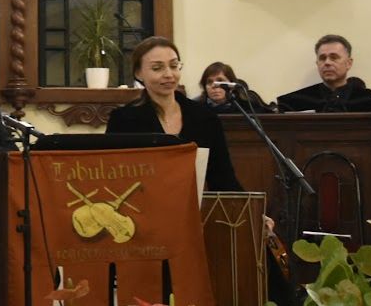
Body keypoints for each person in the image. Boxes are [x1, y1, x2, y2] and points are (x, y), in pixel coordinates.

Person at [107, 37, 241, 192]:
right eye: (157, 68)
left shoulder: (205, 118)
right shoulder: (123, 119)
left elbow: (224, 179)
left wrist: (251, 207)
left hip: (192, 206)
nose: (169, 74)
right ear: (138, 73)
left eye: (174, 66)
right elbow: (113, 178)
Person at [275, 35, 371, 113]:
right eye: (322, 58)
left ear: (349, 63)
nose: (327, 63)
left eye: (334, 57)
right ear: (317, 63)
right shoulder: (294, 102)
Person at [195, 60, 273, 114]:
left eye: (220, 80)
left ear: (231, 85)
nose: (214, 85)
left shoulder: (248, 105)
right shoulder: (196, 108)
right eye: (209, 82)